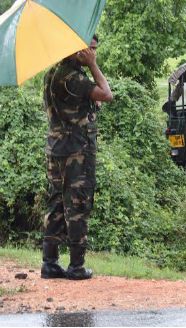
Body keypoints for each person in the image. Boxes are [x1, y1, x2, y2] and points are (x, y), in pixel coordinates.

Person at [41, 34, 113, 280]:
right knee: (78, 204)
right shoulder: (75, 78)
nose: (93, 53)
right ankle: (76, 267)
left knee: (55, 204)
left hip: (55, 150)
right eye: (89, 50)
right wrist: (93, 66)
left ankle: (49, 263)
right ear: (77, 49)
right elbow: (107, 94)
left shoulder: (52, 74)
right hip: (76, 152)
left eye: (94, 50)